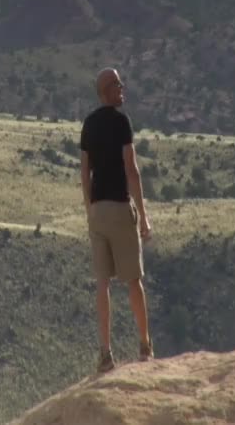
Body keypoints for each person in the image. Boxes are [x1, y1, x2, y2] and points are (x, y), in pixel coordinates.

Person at [80, 67, 153, 373]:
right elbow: (131, 170)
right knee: (133, 279)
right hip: (120, 209)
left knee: (102, 283)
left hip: (97, 211)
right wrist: (144, 216)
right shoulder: (122, 122)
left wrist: (89, 211)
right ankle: (145, 345)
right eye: (118, 85)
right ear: (108, 90)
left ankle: (105, 353)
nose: (122, 88)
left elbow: (85, 173)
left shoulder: (88, 124)